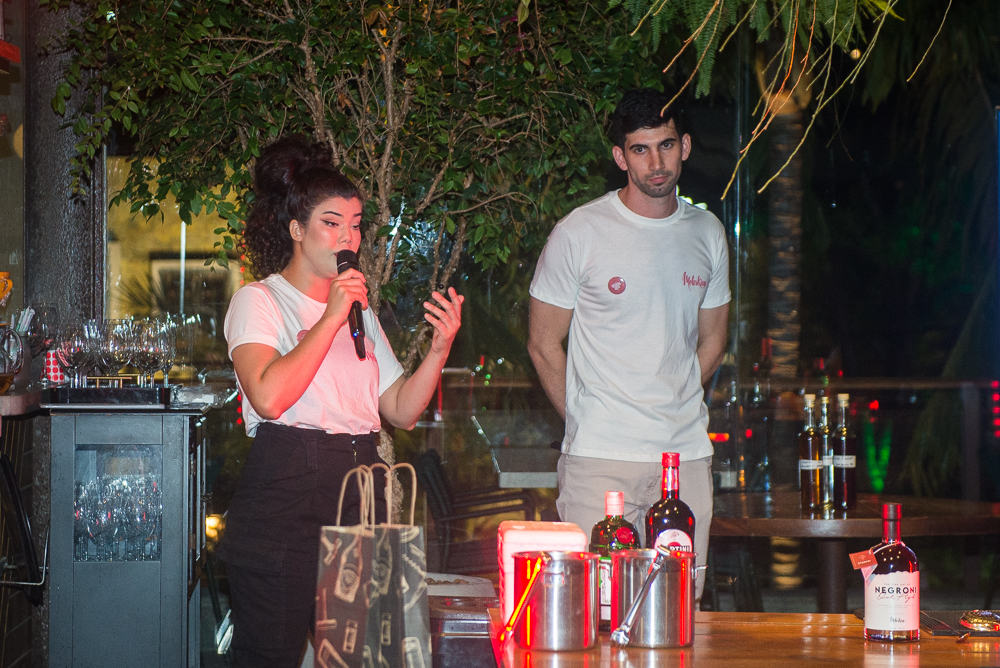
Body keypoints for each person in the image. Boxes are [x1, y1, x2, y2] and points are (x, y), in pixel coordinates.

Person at [218, 134, 464, 667]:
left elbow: (400, 409)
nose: (347, 237)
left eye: (355, 224)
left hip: (361, 487)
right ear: (296, 230)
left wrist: (439, 350)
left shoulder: (360, 309)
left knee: (365, 657)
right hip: (286, 489)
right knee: (270, 656)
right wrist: (330, 316)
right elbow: (269, 397)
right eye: (331, 223)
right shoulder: (260, 300)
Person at [527, 88, 729, 601]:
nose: (655, 162)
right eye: (640, 149)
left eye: (666, 145)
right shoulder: (579, 232)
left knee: (679, 613)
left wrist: (674, 399)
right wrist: (586, 419)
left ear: (685, 146)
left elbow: (713, 341)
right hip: (600, 459)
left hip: (684, 459)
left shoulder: (707, 232)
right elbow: (543, 344)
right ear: (620, 157)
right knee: (592, 612)